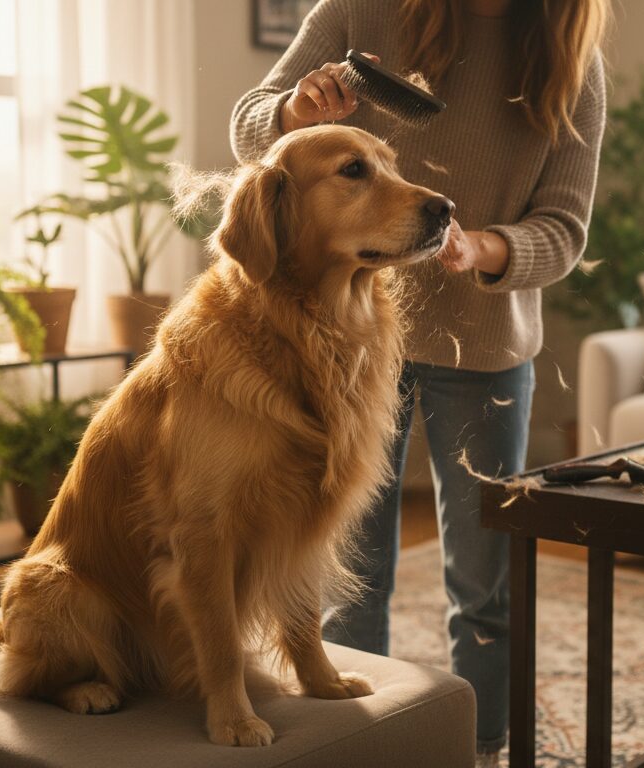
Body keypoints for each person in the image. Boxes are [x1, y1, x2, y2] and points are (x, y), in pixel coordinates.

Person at [230, 0, 607, 760]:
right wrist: (291, 111)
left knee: (487, 591)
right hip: (345, 349)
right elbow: (248, 128)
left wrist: (485, 249)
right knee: (345, 576)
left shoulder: (573, 59)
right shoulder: (357, 10)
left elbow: (563, 230)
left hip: (486, 352)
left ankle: (484, 746)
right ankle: (357, 745)